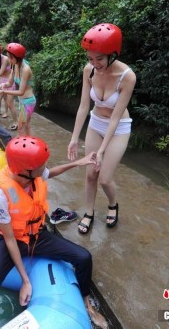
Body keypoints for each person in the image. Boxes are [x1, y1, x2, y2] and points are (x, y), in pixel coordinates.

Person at [0, 136, 108, 329]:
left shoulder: (33, 174)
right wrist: (25, 280)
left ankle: (87, 304)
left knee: (83, 257)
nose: (44, 168)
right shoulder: (0, 194)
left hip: (38, 235)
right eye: (41, 165)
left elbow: (51, 173)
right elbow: (10, 238)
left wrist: (79, 162)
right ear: (25, 170)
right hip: (13, 240)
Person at [68, 23, 136, 234]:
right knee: (90, 175)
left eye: (99, 58)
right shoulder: (89, 71)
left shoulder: (127, 77)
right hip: (96, 123)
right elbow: (83, 106)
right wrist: (73, 138)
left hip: (118, 128)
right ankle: (89, 212)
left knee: (105, 178)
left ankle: (113, 204)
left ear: (113, 55)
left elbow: (116, 118)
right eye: (90, 58)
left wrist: (102, 151)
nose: (94, 63)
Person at [0, 43, 35, 136]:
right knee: (26, 126)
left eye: (10, 57)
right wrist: (2, 85)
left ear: (17, 57)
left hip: (28, 102)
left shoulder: (26, 69)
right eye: (8, 57)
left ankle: (25, 147)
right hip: (22, 101)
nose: (9, 60)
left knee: (21, 128)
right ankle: (29, 147)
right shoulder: (14, 65)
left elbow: (21, 92)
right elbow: (9, 83)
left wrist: (4, 91)